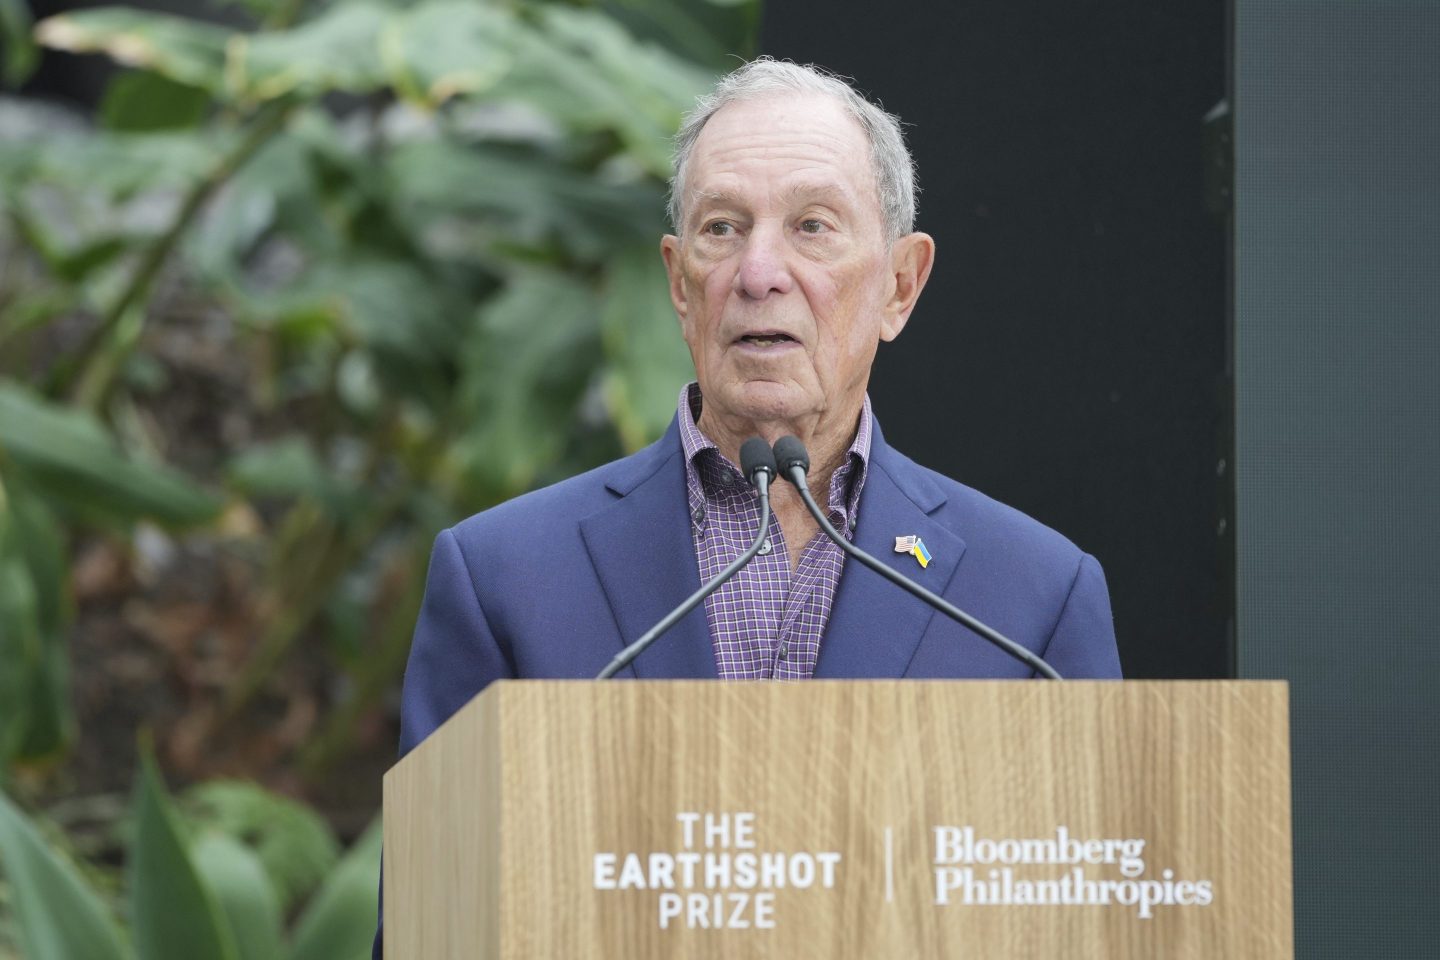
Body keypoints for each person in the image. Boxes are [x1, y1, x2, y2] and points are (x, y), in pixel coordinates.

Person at [374, 57, 1119, 954]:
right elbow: (434, 932)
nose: (760, 271)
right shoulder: (504, 577)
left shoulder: (1030, 597)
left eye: (812, 227)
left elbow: (1092, 922)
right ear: (681, 285)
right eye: (722, 229)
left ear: (899, 286)